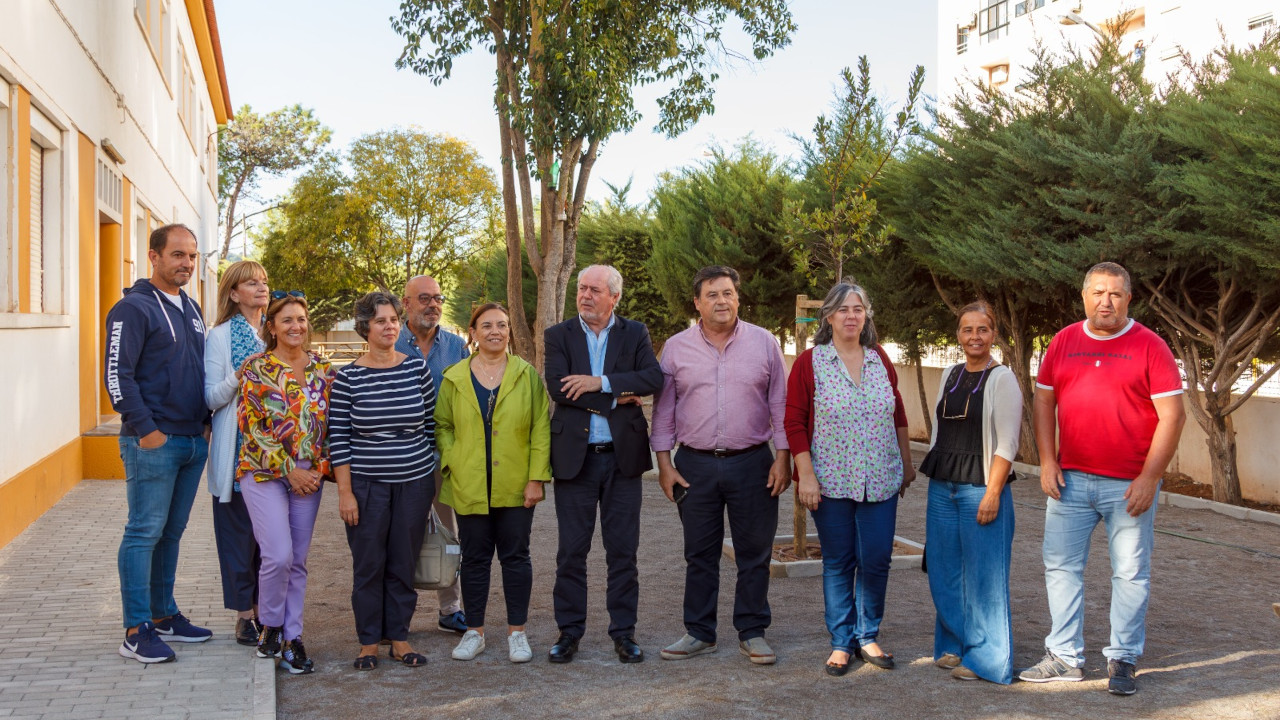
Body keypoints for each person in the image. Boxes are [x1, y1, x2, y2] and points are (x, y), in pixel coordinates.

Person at [1019, 262, 1185, 696]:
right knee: (1060, 567)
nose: (1105, 302)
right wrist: (1048, 461)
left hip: (1128, 485)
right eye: (1097, 293)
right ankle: (1065, 657)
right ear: (1084, 296)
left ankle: (1123, 658)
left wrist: (1151, 478)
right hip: (1069, 481)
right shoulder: (1063, 342)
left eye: (1114, 294)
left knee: (1130, 573)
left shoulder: (1151, 346)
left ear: (1129, 298)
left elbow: (1173, 417)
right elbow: (1043, 403)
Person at [651, 265, 792, 666]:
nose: (721, 301)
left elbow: (781, 403)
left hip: (753, 463)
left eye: (728, 293)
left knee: (755, 552)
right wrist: (664, 464)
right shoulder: (676, 347)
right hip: (693, 465)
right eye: (712, 294)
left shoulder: (764, 342)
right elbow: (663, 411)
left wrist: (782, 458)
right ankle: (699, 632)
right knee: (699, 553)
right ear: (697, 302)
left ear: (738, 298)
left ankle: (752, 631)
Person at [783, 283, 915, 676]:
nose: (852, 316)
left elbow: (898, 412)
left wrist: (906, 462)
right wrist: (805, 475)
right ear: (828, 317)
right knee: (839, 561)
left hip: (881, 478)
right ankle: (842, 642)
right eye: (843, 309)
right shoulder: (810, 362)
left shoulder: (880, 360)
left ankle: (868, 635)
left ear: (866, 316)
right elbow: (794, 421)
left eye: (859, 309)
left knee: (876, 559)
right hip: (830, 479)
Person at [544, 265, 663, 664]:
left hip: (621, 461)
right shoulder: (558, 335)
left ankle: (623, 633)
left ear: (614, 296)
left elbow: (652, 379)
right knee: (571, 553)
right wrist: (615, 397)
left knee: (623, 553)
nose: (585, 296)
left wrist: (599, 382)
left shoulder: (635, 332)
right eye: (582, 288)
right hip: (574, 462)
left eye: (595, 290)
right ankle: (569, 633)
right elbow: (558, 387)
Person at [105, 223, 213, 664]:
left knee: (171, 532)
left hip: (191, 441)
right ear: (154, 257)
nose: (186, 262)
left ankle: (164, 615)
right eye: (177, 255)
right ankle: (135, 629)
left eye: (191, 255)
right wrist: (146, 430)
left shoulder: (191, 306)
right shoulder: (132, 309)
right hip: (153, 441)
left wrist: (203, 425)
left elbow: (201, 368)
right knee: (143, 532)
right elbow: (117, 375)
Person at [435, 303, 551, 663]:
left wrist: (536, 478)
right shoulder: (454, 376)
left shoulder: (525, 374)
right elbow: (443, 426)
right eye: (486, 325)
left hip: (516, 483)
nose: (495, 331)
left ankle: (518, 632)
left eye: (502, 324)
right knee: (474, 560)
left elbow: (540, 428)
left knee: (516, 557)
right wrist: (453, 459)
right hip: (469, 483)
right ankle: (475, 631)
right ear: (473, 332)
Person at [331, 292, 437, 670]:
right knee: (369, 563)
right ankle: (368, 642)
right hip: (366, 487)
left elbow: (430, 425)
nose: (389, 326)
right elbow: (338, 439)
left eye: (393, 319)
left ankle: (400, 638)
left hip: (414, 483)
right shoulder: (347, 378)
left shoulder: (415, 369)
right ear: (365, 328)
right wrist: (346, 493)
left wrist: (427, 471)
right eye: (380, 321)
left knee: (403, 562)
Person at [918, 301, 1022, 684]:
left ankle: (989, 659)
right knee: (943, 570)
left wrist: (993, 493)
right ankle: (956, 643)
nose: (974, 337)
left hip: (981, 486)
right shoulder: (949, 373)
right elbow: (937, 435)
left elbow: (1007, 443)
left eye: (982, 329)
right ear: (958, 335)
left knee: (984, 577)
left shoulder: (1002, 379)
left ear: (993, 334)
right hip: (943, 486)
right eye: (967, 329)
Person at [237, 291, 335, 675]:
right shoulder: (256, 368)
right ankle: (272, 626)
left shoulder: (324, 371)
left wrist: (318, 468)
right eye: (287, 320)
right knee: (277, 556)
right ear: (272, 327)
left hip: (309, 477)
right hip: (263, 473)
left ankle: (292, 638)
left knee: (297, 560)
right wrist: (288, 469)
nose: (296, 326)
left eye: (301, 319)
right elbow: (254, 427)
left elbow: (331, 428)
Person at [396, 274, 470, 634]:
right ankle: (396, 612)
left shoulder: (456, 347)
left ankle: (450, 607)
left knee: (449, 530)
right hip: (400, 456)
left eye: (438, 298)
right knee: (398, 531)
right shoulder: (388, 340)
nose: (434, 305)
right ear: (406, 304)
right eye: (424, 298)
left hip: (444, 456)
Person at [204, 260, 269, 648]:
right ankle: (246, 616)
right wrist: (239, 374)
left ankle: (268, 610)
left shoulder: (278, 329)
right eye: (250, 283)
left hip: (277, 455)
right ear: (233, 293)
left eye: (263, 282)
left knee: (271, 538)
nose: (260, 288)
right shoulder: (220, 336)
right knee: (238, 537)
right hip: (236, 452)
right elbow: (211, 397)